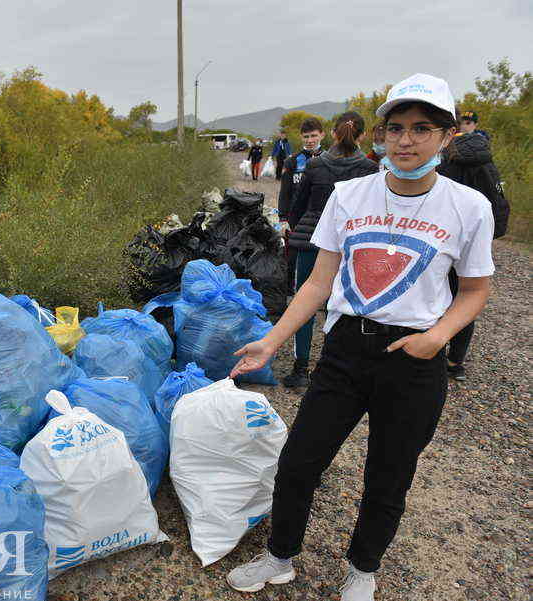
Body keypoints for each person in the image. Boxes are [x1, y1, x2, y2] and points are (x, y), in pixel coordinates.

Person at [224, 73, 494, 601]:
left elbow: (474, 292)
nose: (407, 141)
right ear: (381, 135)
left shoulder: (468, 207)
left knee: (388, 477)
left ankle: (363, 571)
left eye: (422, 128)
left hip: (413, 359)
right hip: (346, 348)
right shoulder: (350, 195)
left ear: (446, 137)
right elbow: (319, 282)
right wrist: (273, 340)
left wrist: (437, 337)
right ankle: (280, 557)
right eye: (396, 128)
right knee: (299, 461)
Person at [282, 111, 378, 388]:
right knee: (344, 306)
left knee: (305, 303)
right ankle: (335, 366)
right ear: (362, 136)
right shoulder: (370, 169)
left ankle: (300, 368)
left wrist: (295, 231)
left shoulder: (315, 165)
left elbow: (298, 208)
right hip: (351, 244)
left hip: (313, 241)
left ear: (332, 134)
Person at [436, 110, 509, 380]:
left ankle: (433, 346)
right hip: (474, 239)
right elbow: (499, 199)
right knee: (467, 295)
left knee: (440, 292)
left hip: (441, 237)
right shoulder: (487, 161)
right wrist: (491, 235)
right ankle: (456, 361)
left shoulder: (444, 159)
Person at [278, 118, 325, 295]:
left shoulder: (330, 160)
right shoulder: (292, 161)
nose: (310, 140)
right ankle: (290, 293)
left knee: (320, 257)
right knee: (292, 257)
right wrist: (283, 219)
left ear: (322, 135)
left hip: (320, 217)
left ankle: (318, 294)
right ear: (301, 137)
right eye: (306, 136)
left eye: (314, 135)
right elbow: (285, 192)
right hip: (296, 218)